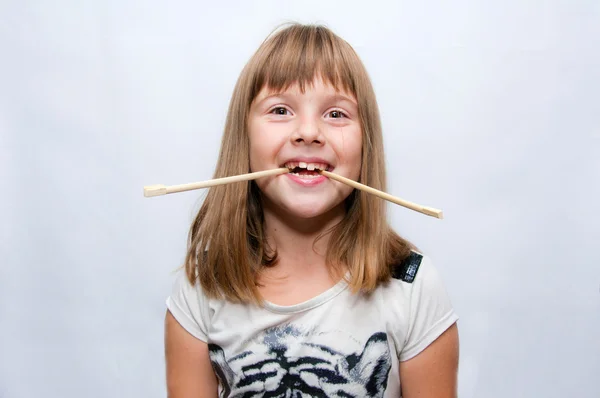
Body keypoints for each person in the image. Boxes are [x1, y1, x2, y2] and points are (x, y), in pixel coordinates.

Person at [164, 23, 459, 398]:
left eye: (336, 114)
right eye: (281, 109)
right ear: (245, 139)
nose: (308, 132)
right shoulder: (202, 283)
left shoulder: (413, 285)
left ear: (365, 142)